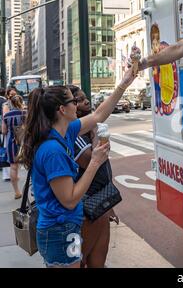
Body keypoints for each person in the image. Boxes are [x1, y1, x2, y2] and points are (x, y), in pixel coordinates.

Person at [19, 67, 136, 268]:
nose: (78, 104)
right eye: (73, 101)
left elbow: (99, 115)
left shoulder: (65, 132)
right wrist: (95, 162)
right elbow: (70, 199)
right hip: (58, 231)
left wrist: (124, 82)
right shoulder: (52, 150)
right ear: (62, 110)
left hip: (67, 228)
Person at [68, 85, 119, 268]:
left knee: (98, 260)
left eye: (85, 98)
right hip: (86, 209)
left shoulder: (86, 131)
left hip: (99, 204)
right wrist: (98, 134)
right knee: (82, 260)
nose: (86, 101)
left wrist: (108, 205)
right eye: (79, 100)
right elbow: (91, 162)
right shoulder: (73, 135)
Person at [2, 95, 26, 199]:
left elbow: (4, 131)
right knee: (31, 165)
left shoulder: (6, 116)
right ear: (21, 102)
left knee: (13, 166)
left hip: (12, 143)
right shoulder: (25, 113)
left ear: (10, 103)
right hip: (25, 143)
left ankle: (17, 192)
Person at [2, 87, 17, 182]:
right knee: (14, 163)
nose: (13, 96)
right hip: (12, 137)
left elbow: (4, 128)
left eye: (14, 94)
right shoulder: (6, 105)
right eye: (12, 94)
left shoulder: (20, 106)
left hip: (14, 137)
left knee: (14, 164)